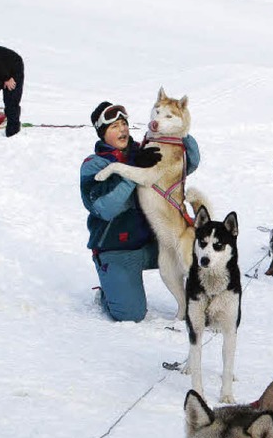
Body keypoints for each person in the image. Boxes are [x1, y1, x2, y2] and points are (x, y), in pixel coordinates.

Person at [80, 101, 200, 322]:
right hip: (117, 250)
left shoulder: (145, 148)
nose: (122, 129)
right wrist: (134, 169)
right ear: (102, 133)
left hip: (151, 242)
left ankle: (198, 306)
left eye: (124, 124)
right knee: (131, 314)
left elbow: (184, 166)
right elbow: (105, 208)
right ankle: (108, 288)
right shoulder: (94, 165)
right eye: (114, 126)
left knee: (198, 253)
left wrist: (182, 134)